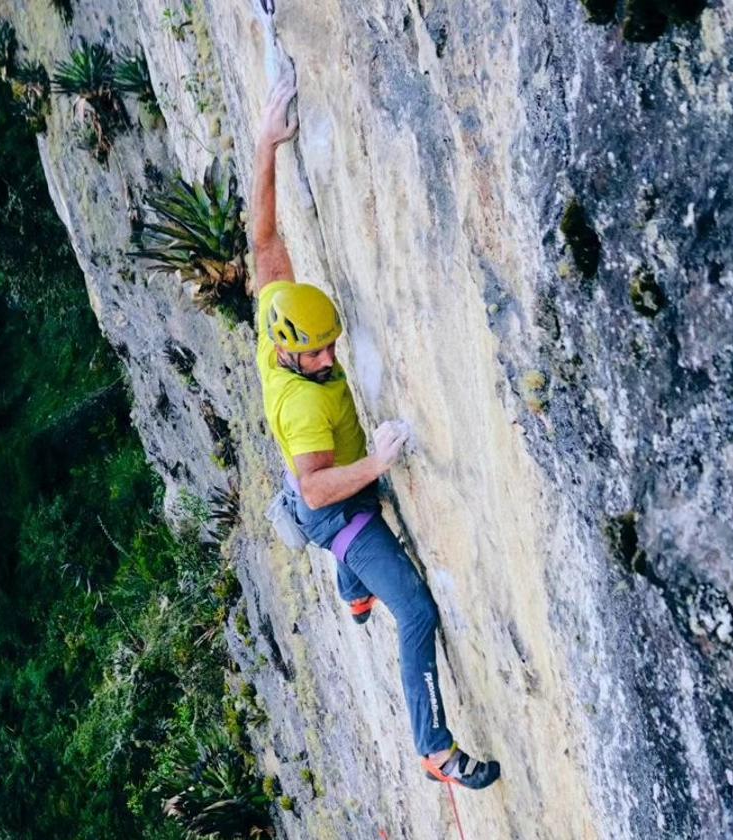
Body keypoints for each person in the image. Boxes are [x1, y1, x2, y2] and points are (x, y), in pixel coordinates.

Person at [249, 74, 500, 790]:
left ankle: (353, 592)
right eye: (320, 354)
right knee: (415, 609)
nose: (330, 359)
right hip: (337, 512)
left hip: (328, 493)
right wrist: (380, 461)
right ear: (296, 355)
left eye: (332, 346)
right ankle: (435, 751)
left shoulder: (278, 326)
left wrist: (267, 143)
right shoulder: (301, 406)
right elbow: (318, 482)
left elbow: (264, 238)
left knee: (366, 561)